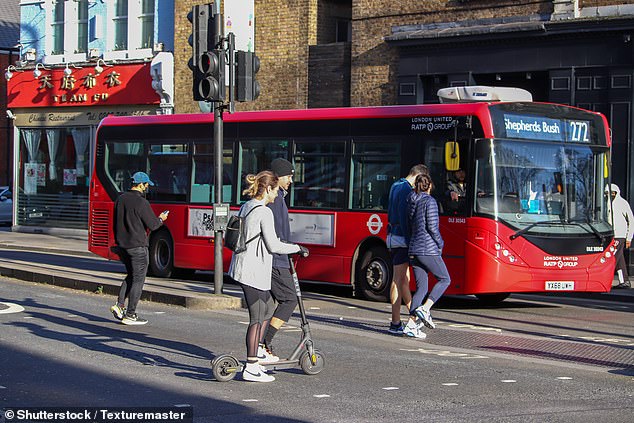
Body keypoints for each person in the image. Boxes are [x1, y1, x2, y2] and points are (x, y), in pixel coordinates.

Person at [229, 170, 308, 383]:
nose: (275, 196)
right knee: (257, 318)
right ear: (268, 189)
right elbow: (273, 244)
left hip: (244, 267)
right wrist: (296, 248)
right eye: (274, 191)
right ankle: (251, 365)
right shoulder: (264, 212)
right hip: (252, 270)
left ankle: (258, 354)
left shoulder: (247, 206)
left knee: (266, 310)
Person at [110, 172, 169, 325]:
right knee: (138, 279)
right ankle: (130, 314)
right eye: (146, 185)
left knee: (130, 275)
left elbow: (114, 223)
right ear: (141, 184)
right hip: (137, 247)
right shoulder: (142, 203)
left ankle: (120, 306)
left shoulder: (120, 199)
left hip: (123, 246)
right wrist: (161, 218)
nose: (147, 187)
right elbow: (154, 225)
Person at [403, 173, 451, 338]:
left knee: (421, 288)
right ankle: (425, 308)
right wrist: (440, 243)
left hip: (414, 249)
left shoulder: (411, 200)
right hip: (428, 249)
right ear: (429, 185)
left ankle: (410, 325)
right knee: (445, 279)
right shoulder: (430, 201)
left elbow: (410, 225)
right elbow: (432, 226)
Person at [258, 158, 297, 359]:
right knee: (290, 299)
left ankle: (261, 344)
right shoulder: (275, 200)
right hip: (276, 259)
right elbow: (275, 233)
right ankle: (263, 343)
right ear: (278, 176)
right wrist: (291, 249)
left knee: (273, 303)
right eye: (289, 176)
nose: (291, 179)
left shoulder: (280, 197)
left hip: (279, 257)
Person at [386, 164, 429, 335]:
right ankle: (395, 322)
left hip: (391, 236)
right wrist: (411, 240)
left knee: (404, 279)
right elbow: (405, 218)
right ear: (418, 176)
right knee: (398, 279)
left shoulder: (395, 185)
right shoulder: (406, 189)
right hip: (402, 238)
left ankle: (414, 315)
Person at [607, 184, 634, 289]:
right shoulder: (606, 203)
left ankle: (606, 279)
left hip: (620, 235)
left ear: (616, 193)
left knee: (613, 257)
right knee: (619, 259)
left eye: (612, 193)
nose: (610, 195)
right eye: (608, 193)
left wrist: (629, 238)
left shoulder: (622, 203)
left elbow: (631, 220)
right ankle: (625, 281)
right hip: (610, 235)